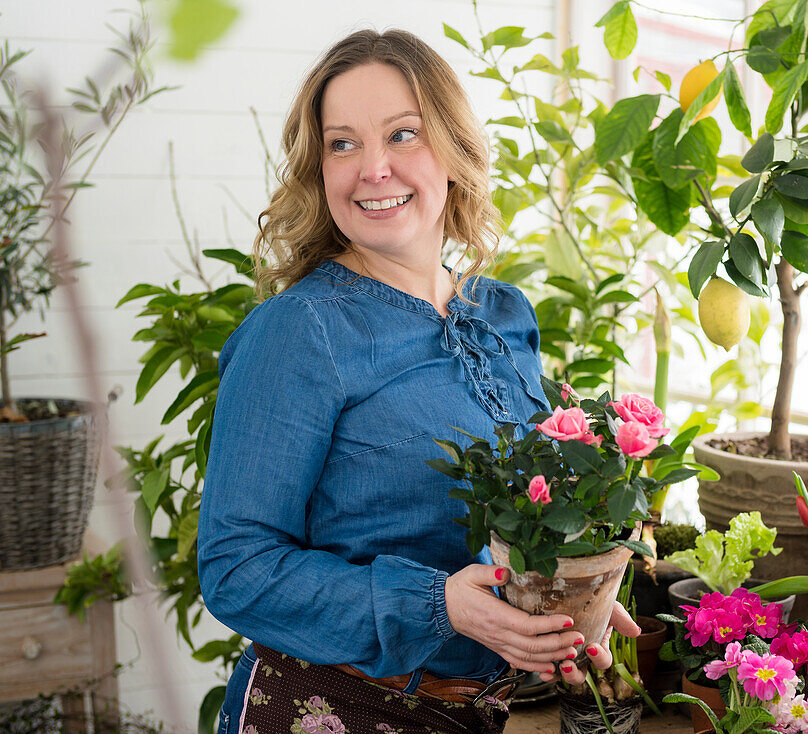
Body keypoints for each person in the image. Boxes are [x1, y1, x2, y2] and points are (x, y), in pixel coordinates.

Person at [196, 28, 639, 734]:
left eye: (403, 134)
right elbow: (236, 569)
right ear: (319, 170)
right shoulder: (299, 331)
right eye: (342, 144)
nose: (373, 168)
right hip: (332, 711)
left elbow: (527, 510)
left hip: (485, 714)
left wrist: (574, 590)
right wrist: (440, 604)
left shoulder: (502, 314)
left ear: (455, 152)